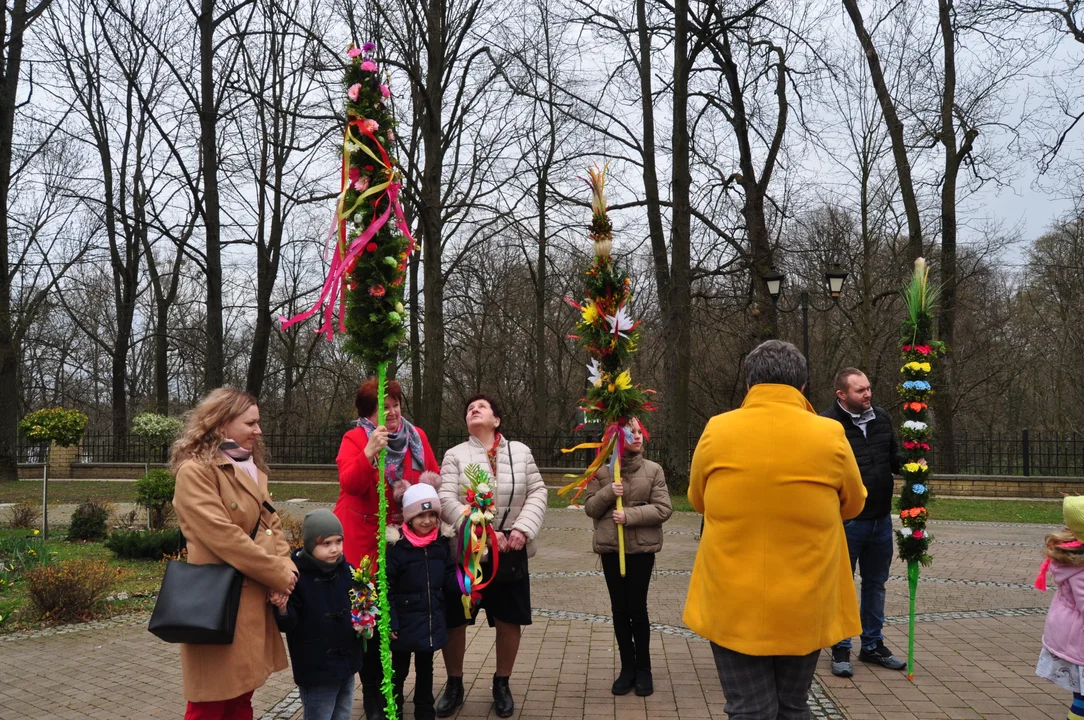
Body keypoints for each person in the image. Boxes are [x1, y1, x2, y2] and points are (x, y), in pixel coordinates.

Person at [683, 340, 866, 720]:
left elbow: (697, 500)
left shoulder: (718, 429)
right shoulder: (829, 433)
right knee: (793, 706)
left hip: (732, 601)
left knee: (749, 708)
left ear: (750, 383)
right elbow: (855, 503)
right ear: (801, 386)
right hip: (806, 599)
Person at [171, 387, 298, 720]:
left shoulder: (251, 467)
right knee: (209, 703)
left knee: (243, 696)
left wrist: (287, 568)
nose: (258, 430)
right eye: (251, 422)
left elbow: (273, 525)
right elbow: (224, 538)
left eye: (258, 423)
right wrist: (278, 574)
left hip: (254, 600)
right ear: (222, 423)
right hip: (218, 605)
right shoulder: (195, 472)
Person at [435, 393, 547, 718]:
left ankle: (502, 683)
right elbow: (445, 498)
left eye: (481, 407)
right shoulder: (455, 455)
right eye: (469, 408)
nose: (474, 410)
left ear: (496, 420)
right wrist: (482, 531)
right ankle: (454, 683)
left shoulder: (520, 452)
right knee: (456, 620)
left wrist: (522, 530)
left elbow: (538, 491)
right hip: (468, 552)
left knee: (509, 619)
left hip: (511, 549)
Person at [334, 378, 440, 720]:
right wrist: (369, 453)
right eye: (384, 406)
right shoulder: (355, 438)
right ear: (369, 414)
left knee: (402, 618)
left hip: (407, 544)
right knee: (370, 622)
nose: (392, 411)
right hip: (365, 544)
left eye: (395, 404)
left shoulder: (417, 437)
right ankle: (374, 696)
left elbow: (432, 476)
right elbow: (350, 483)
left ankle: (398, 688)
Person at [821, 368, 906, 677]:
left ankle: (872, 644)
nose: (868, 394)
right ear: (841, 395)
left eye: (869, 388)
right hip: (847, 521)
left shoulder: (881, 418)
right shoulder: (827, 424)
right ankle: (840, 647)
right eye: (860, 390)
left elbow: (892, 457)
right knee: (841, 586)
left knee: (875, 584)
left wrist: (912, 462)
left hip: (881, 519)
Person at [584, 417, 673, 697]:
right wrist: (611, 491)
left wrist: (630, 515)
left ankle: (644, 668)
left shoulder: (654, 469)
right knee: (619, 610)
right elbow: (590, 508)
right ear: (616, 436)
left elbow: (664, 508)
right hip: (612, 549)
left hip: (640, 552)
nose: (638, 436)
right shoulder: (601, 472)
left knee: (637, 608)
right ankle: (627, 667)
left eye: (640, 432)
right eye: (631, 432)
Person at [272, 510, 362, 720]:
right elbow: (288, 623)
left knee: (342, 714)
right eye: (326, 543)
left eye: (339, 541)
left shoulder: (348, 571)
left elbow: (360, 605)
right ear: (311, 545)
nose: (334, 549)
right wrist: (283, 608)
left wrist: (365, 617)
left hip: (347, 664)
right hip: (316, 670)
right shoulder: (297, 578)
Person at [386, 472, 459, 720]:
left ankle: (424, 708)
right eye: (420, 515)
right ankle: (393, 708)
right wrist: (391, 620)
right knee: (399, 669)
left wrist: (464, 583)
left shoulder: (440, 545)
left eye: (432, 515)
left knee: (426, 668)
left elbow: (449, 577)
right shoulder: (397, 549)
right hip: (404, 624)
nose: (427, 521)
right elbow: (388, 588)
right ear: (408, 517)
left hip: (430, 620)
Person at [1035, 496, 1084, 720]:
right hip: (1078, 640)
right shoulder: (1080, 567)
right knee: (1082, 702)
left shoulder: (1076, 556)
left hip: (1071, 634)